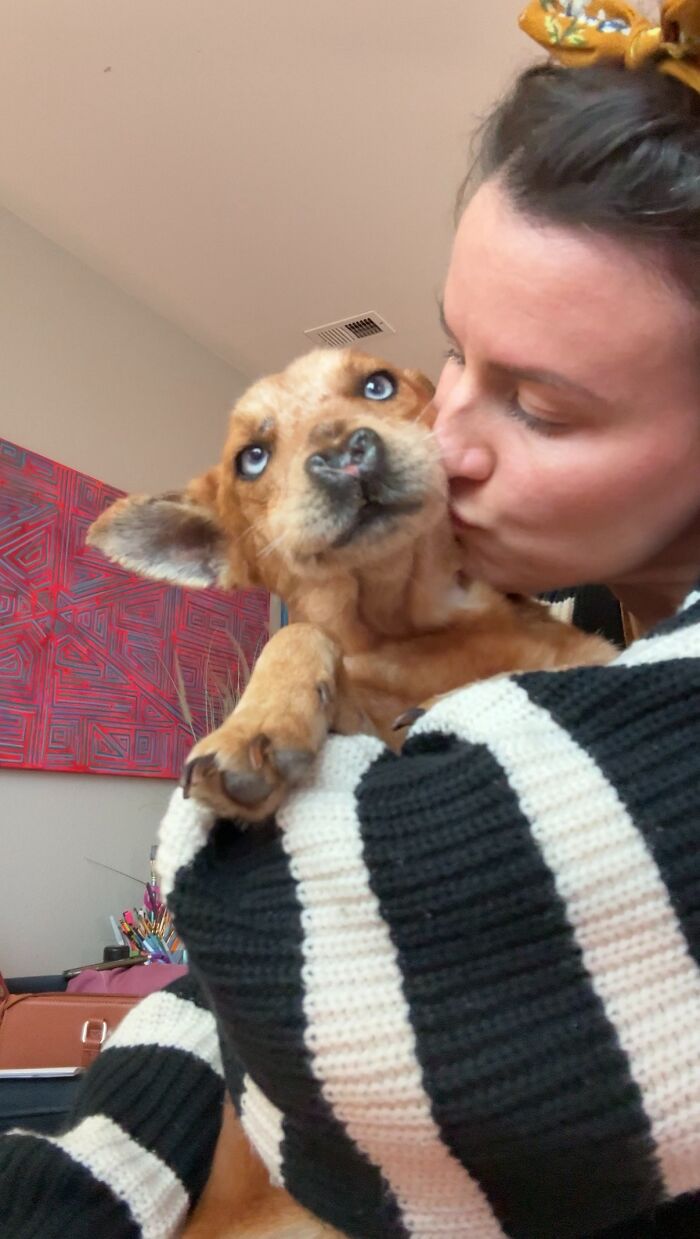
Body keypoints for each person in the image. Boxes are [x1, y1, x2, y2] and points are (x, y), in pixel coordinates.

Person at [3, 2, 700, 1236]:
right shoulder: (585, 620)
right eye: (456, 354)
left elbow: (260, 939)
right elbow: (227, 989)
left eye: (540, 407)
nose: (437, 432)